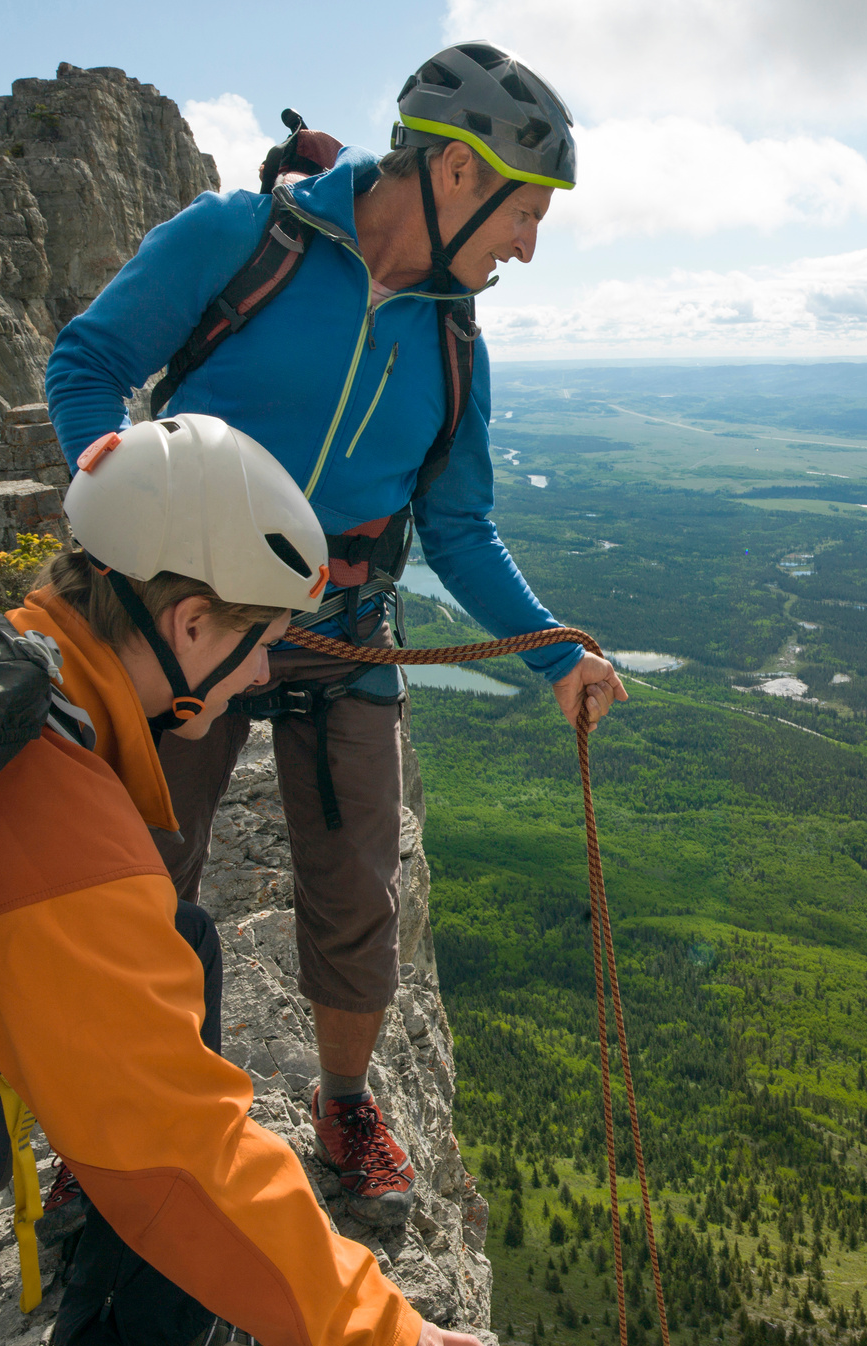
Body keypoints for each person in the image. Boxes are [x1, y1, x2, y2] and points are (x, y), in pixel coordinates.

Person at [44, 42, 627, 1226]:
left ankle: (346, 1102)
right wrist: (123, 526)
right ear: (457, 178)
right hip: (186, 624)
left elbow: (459, 529)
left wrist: (559, 656)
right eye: (525, 212)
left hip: (346, 629)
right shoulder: (241, 242)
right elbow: (92, 364)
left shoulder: (454, 344)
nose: (527, 245)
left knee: (356, 883)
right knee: (144, 867)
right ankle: (107, 1116)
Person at [0, 413, 506, 1346]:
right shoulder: (52, 828)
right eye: (259, 643)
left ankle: (131, 1317)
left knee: (180, 938)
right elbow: (179, 1144)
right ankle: (152, 1339)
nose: (260, 678)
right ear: (191, 624)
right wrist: (382, 1328)